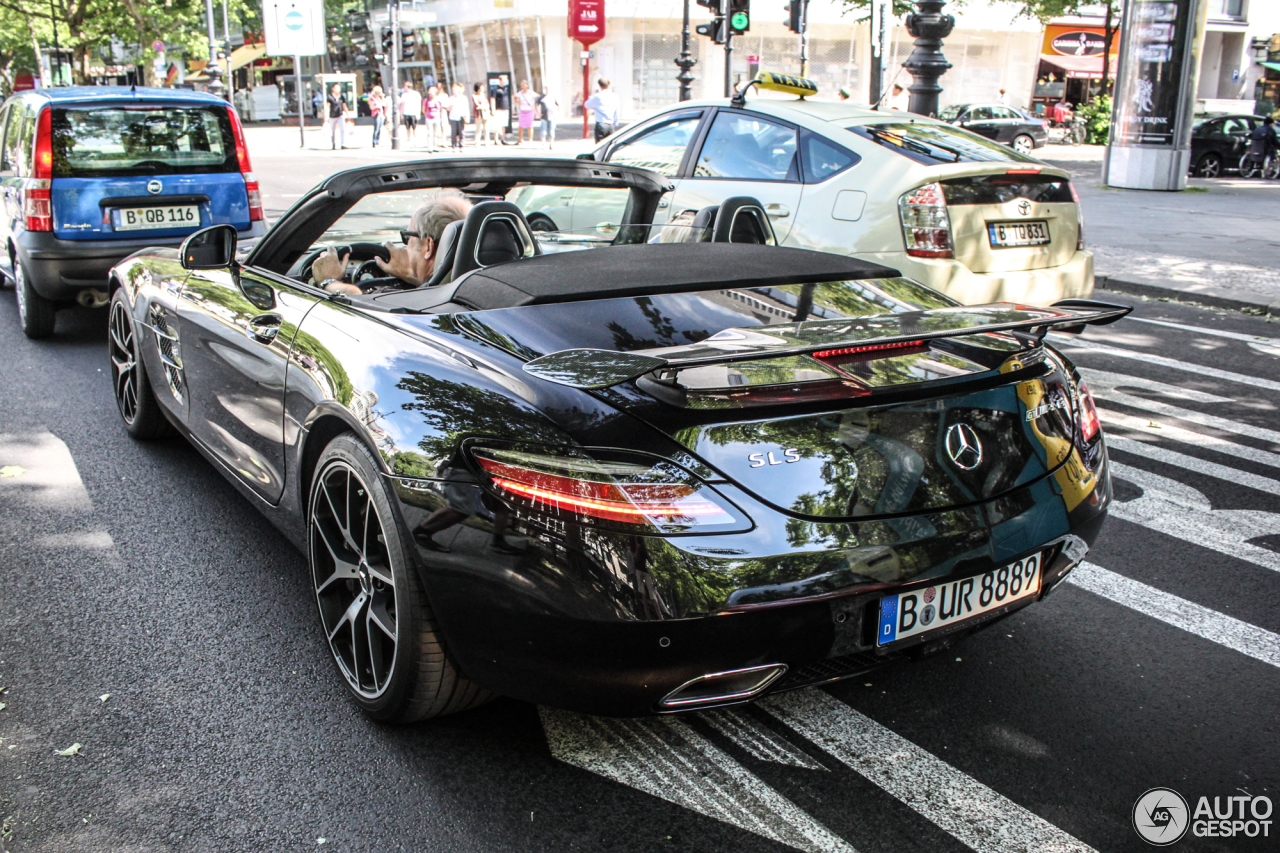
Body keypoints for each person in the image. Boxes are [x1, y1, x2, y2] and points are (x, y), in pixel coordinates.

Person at [310, 189, 473, 296]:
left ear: (428, 246)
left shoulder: (408, 300)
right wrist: (413, 274)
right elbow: (442, 285)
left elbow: (358, 302)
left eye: (408, 237)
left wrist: (329, 281)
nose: (405, 246)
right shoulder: (480, 284)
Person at [583, 76, 620, 142]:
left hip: (601, 124)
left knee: (600, 146)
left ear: (599, 85)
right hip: (610, 125)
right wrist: (615, 122)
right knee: (610, 146)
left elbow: (586, 105)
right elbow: (617, 110)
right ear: (609, 84)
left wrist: (591, 96)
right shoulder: (614, 96)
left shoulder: (597, 96)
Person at [324, 83, 347, 150]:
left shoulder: (342, 96)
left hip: (340, 115)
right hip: (332, 116)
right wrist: (326, 115)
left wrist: (347, 115)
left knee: (342, 129)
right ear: (333, 89)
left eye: (339, 88)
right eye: (336, 88)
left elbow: (344, 105)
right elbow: (327, 106)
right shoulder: (330, 97)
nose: (338, 89)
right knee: (332, 131)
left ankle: (342, 144)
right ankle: (333, 143)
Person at [399, 82, 422, 147]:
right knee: (407, 127)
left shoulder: (416, 94)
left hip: (414, 113)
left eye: (405, 87)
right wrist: (401, 113)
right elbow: (402, 105)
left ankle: (415, 139)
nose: (404, 88)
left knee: (414, 127)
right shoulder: (404, 95)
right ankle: (409, 139)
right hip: (406, 112)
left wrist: (418, 113)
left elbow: (418, 104)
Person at [515, 79, 537, 144]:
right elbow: (515, 97)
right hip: (523, 110)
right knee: (520, 125)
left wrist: (534, 104)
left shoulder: (530, 92)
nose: (522, 86)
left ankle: (530, 139)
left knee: (529, 125)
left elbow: (538, 96)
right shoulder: (520, 92)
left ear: (526, 85)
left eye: (523, 85)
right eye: (521, 85)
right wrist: (519, 103)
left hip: (529, 110)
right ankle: (520, 138)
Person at [536, 85, 558, 149]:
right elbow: (536, 105)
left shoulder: (553, 97)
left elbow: (557, 105)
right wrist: (538, 113)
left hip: (552, 116)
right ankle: (543, 143)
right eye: (546, 88)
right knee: (543, 130)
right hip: (544, 116)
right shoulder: (542, 97)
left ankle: (551, 143)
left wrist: (556, 113)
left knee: (551, 130)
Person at [490, 74, 511, 140]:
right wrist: (493, 110)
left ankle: (503, 139)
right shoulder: (495, 89)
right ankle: (496, 139)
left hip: (505, 109)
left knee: (503, 125)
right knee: (497, 125)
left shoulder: (506, 88)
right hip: (498, 109)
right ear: (500, 80)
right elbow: (492, 99)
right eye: (505, 80)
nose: (506, 81)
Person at [448, 82, 468, 149]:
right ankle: (453, 145)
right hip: (453, 117)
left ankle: (461, 145)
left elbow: (466, 108)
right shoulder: (451, 98)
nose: (454, 92)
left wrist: (467, 117)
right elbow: (448, 108)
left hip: (461, 117)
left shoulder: (463, 98)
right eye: (453, 90)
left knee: (461, 132)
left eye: (455, 90)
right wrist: (450, 106)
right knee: (453, 132)